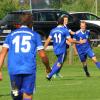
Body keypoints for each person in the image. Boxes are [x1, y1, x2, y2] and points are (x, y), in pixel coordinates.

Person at [0, 13, 51, 100]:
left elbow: (3, 53)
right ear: (31, 24)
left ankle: (15, 93)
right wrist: (47, 67)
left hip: (13, 70)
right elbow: (42, 55)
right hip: (29, 70)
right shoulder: (35, 35)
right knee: (27, 95)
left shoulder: (10, 35)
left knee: (16, 95)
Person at [44, 15, 86, 80]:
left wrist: (44, 48)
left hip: (55, 49)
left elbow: (48, 40)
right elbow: (70, 40)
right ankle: (50, 75)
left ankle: (53, 72)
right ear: (62, 22)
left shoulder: (53, 30)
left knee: (60, 61)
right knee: (59, 63)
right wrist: (80, 42)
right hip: (62, 50)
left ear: (57, 23)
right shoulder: (64, 30)